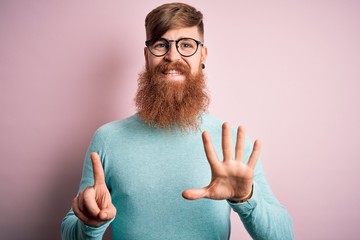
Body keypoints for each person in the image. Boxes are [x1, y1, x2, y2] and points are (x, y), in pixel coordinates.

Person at [61, 2, 293, 239]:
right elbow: (70, 231)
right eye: (161, 44)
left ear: (203, 54)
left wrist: (246, 199)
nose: (173, 56)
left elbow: (284, 236)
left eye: (186, 45)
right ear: (146, 55)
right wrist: (90, 223)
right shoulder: (108, 139)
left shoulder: (231, 143)